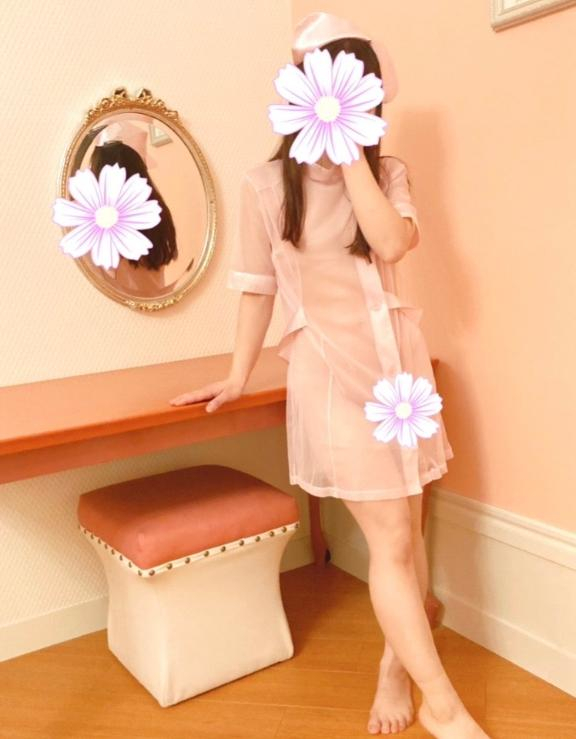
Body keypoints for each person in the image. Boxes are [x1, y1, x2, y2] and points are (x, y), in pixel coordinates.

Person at [170, 11, 490, 739]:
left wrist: (351, 158)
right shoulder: (264, 187)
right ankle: (442, 704)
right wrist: (237, 374)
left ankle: (394, 667)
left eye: (358, 97)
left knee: (406, 531)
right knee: (390, 536)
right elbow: (257, 289)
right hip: (332, 375)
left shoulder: (387, 174)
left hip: (398, 370)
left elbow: (391, 243)